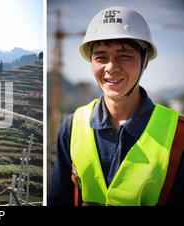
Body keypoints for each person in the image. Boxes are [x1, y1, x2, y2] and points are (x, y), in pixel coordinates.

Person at [49, 6, 184, 206]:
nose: (111, 67)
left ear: (144, 61)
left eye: (125, 55)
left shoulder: (178, 134)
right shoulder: (72, 126)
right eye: (101, 57)